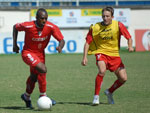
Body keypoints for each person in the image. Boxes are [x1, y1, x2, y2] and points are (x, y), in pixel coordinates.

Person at [13, 8, 65, 108]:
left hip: (40, 54)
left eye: (46, 18)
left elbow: (62, 40)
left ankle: (26, 96)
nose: (44, 21)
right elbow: (15, 27)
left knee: (34, 77)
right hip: (28, 53)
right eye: (42, 18)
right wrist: (14, 44)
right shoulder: (28, 25)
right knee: (43, 69)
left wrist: (60, 46)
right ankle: (44, 96)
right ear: (36, 18)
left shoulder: (51, 27)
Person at [81, 6, 134, 105]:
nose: (105, 18)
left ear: (112, 17)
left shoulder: (118, 25)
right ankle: (96, 97)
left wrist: (130, 46)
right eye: (103, 16)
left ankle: (109, 92)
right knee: (102, 70)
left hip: (114, 55)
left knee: (123, 78)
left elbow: (129, 38)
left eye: (107, 16)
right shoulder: (95, 27)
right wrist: (84, 57)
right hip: (101, 52)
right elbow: (88, 42)